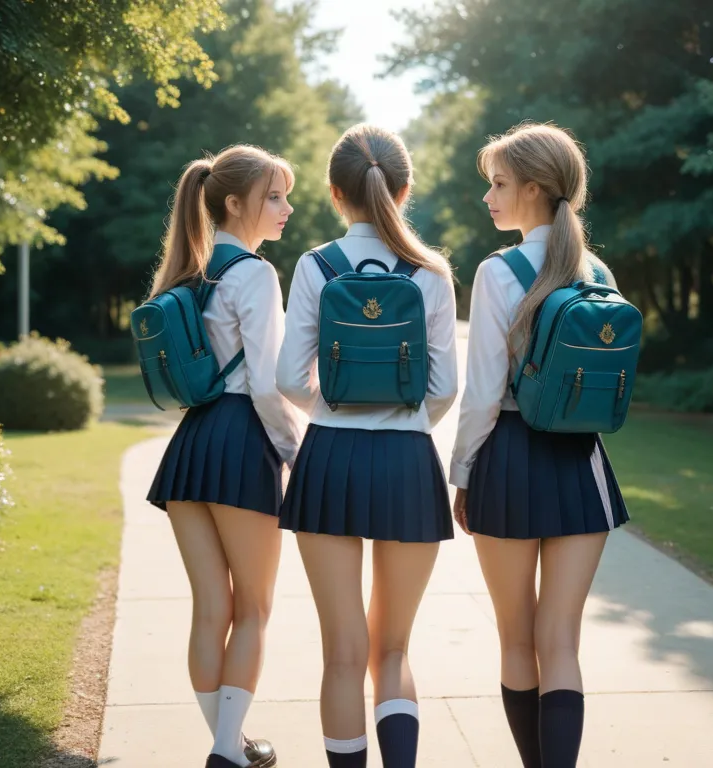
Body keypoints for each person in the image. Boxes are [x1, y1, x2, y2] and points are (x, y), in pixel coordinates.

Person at [275, 123, 458, 768]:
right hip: (408, 462)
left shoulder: (314, 266)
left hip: (328, 460)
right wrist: (404, 421)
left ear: (333, 192)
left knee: (343, 653)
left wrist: (332, 407)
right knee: (394, 650)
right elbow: (444, 388)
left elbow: (287, 379)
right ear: (404, 190)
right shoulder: (431, 271)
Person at [450, 123, 630, 768]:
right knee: (562, 642)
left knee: (516, 639)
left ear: (534, 188)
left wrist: (462, 474)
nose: (489, 197)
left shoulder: (500, 272)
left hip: (510, 460)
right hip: (583, 467)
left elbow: (480, 396)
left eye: (498, 184)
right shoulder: (598, 269)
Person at [145, 144, 305, 768]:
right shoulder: (257, 275)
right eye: (274, 196)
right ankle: (227, 751)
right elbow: (267, 384)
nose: (286, 208)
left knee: (212, 607)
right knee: (255, 609)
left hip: (192, 445)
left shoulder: (194, 271)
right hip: (242, 443)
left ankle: (228, 744)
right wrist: (294, 450)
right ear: (234, 203)